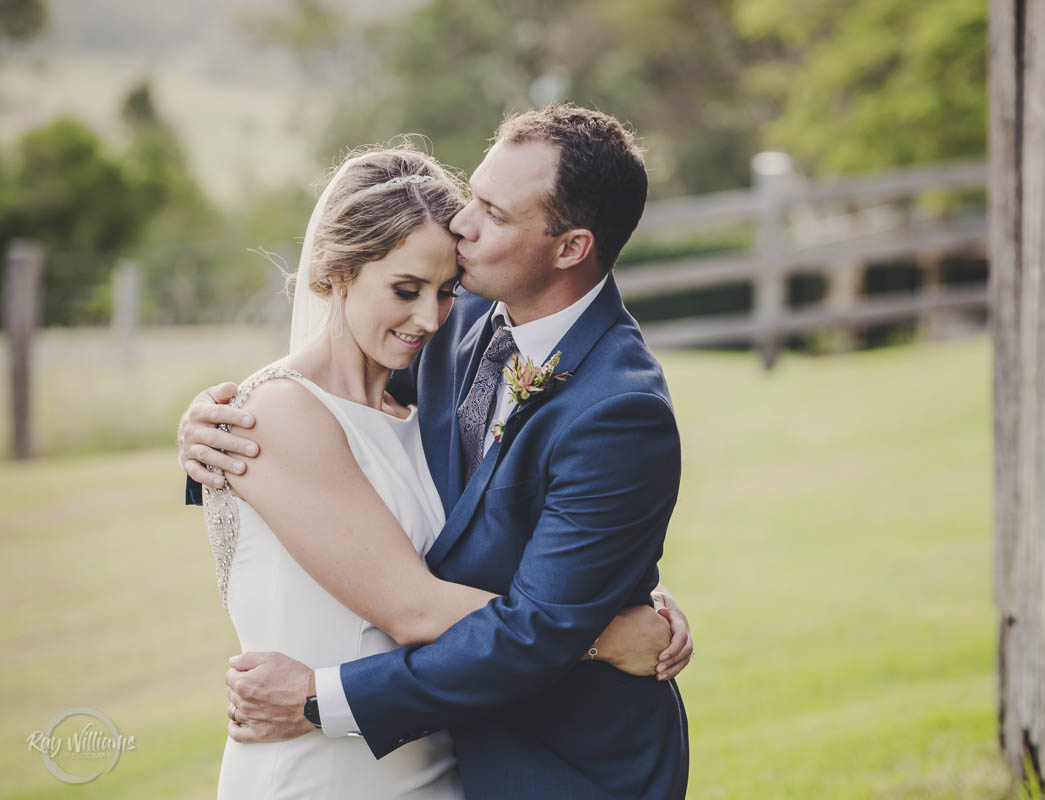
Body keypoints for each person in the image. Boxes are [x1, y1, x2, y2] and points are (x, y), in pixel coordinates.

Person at [181, 106, 691, 799]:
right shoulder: (457, 321)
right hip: (411, 755)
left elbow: (536, 617)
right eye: (473, 195)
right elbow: (328, 412)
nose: (463, 226)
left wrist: (603, 601)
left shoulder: (620, 409)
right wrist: (209, 430)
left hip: (558, 764)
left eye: (493, 212)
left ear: (570, 247)